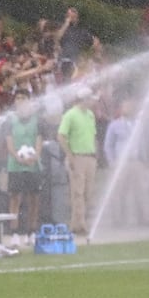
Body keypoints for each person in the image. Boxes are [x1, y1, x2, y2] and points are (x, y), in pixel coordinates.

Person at [57, 87, 98, 237]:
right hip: (77, 156)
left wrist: (95, 154)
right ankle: (80, 225)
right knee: (78, 192)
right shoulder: (70, 115)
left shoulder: (90, 115)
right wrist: (70, 156)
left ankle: (77, 224)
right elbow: (61, 136)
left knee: (88, 192)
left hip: (90, 156)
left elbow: (93, 135)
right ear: (83, 99)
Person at [4, 99, 43, 246]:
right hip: (16, 166)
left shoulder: (37, 121)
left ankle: (31, 232)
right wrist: (18, 157)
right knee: (15, 199)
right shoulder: (11, 122)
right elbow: (9, 144)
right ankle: (14, 232)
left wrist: (35, 156)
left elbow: (39, 141)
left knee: (34, 199)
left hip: (33, 166)